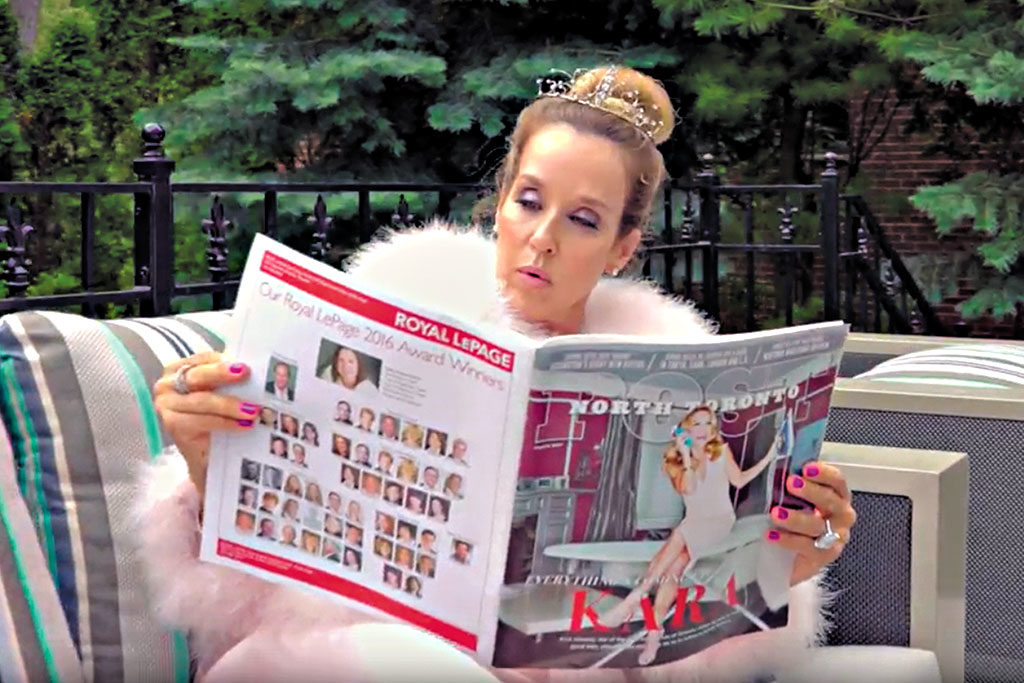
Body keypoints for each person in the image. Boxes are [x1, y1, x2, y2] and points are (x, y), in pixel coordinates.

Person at [144, 64, 856, 682]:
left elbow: (679, 644)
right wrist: (208, 462)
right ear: (501, 201)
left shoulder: (676, 384)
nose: (542, 238)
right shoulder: (380, 315)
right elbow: (255, 570)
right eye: (530, 201)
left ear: (621, 248)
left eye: (583, 220)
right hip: (341, 656)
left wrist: (783, 567)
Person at [599, 404, 780, 665]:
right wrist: (685, 454)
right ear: (685, 430)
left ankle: (634, 598)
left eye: (708, 423)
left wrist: (769, 457)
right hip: (694, 524)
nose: (703, 429)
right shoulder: (674, 462)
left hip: (719, 522)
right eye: (697, 424)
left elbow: (739, 481)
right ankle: (654, 634)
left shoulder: (721, 451)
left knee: (679, 537)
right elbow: (691, 488)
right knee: (675, 566)